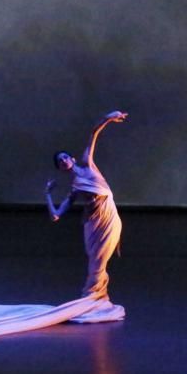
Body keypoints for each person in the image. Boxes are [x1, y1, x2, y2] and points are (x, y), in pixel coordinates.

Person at [45, 110, 127, 306]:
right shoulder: (74, 190)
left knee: (100, 262)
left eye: (65, 157)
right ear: (61, 168)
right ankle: (93, 298)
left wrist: (108, 118)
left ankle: (93, 297)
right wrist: (47, 194)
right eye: (60, 162)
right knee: (96, 263)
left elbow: (94, 133)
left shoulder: (88, 164)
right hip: (94, 224)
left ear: (72, 158)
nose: (64, 161)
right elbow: (55, 216)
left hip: (109, 217)